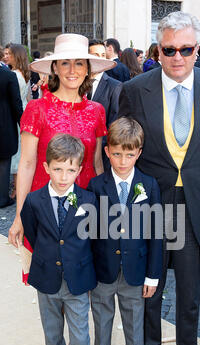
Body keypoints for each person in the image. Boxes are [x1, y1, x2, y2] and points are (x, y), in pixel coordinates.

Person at [118, 11, 200, 345]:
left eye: (187, 48)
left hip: (197, 202)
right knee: (149, 286)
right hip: (150, 203)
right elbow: (123, 147)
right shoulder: (136, 89)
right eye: (169, 49)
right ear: (159, 49)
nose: (178, 57)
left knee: (190, 284)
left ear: (199, 49)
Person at [20, 133, 105, 345]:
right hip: (47, 282)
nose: (63, 176)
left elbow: (94, 238)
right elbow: (33, 231)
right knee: (53, 337)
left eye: (70, 170)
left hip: (78, 282)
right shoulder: (34, 201)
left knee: (80, 342)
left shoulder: (88, 201)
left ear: (79, 170)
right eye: (57, 169)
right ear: (47, 167)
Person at [8, 32, 115, 254]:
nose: (72, 70)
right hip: (45, 208)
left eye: (79, 63)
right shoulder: (37, 109)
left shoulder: (96, 111)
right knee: (49, 279)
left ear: (88, 69)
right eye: (65, 63)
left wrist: (102, 210)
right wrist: (19, 216)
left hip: (85, 207)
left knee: (83, 278)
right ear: (55, 68)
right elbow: (27, 164)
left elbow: (97, 166)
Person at [87, 117, 162, 345]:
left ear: (139, 153)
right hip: (103, 272)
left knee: (134, 326)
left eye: (129, 154)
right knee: (102, 324)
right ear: (107, 151)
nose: (122, 160)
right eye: (117, 153)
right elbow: (89, 234)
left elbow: (156, 233)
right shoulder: (96, 185)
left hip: (136, 272)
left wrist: (153, 276)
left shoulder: (149, 185)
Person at [88, 39, 122, 170]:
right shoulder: (76, 84)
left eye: (103, 55)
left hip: (101, 157)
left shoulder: (115, 86)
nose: (100, 59)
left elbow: (114, 125)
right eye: (95, 56)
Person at [7, 43, 32, 199]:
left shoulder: (15, 74)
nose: (6, 56)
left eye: (9, 54)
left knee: (17, 156)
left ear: (16, 56)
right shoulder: (24, 73)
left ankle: (17, 189)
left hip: (17, 114)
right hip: (23, 110)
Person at [0, 64, 23, 208]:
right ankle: (2, 198)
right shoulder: (8, 75)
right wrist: (23, 124)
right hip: (4, 125)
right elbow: (16, 102)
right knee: (3, 163)